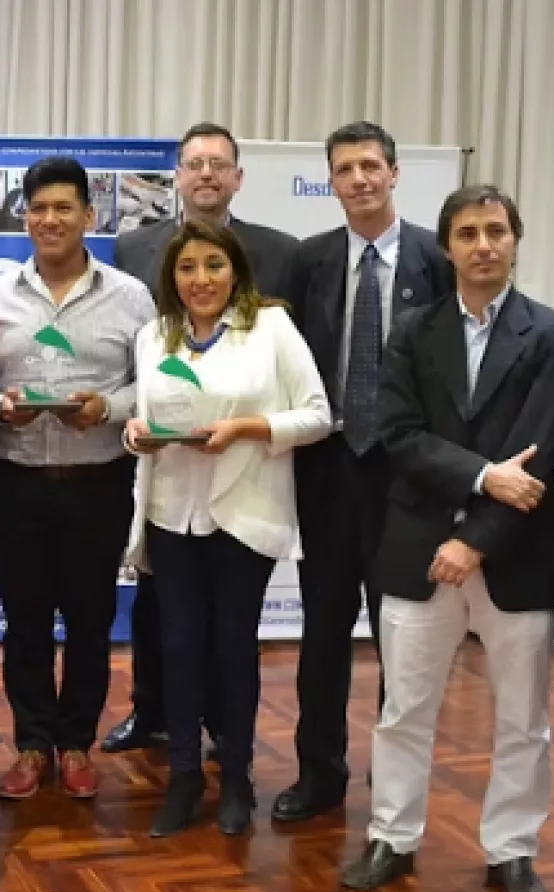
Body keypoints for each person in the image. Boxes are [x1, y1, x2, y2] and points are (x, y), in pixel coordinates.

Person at [341, 185, 554, 892]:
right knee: (403, 711)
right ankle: (392, 837)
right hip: (417, 544)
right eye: (468, 232)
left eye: (496, 231)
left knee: (523, 719)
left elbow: (541, 449)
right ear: (446, 246)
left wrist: (474, 541)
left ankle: (512, 850)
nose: (483, 245)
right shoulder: (413, 330)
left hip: (515, 551)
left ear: (515, 240)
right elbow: (399, 435)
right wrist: (481, 477)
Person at [123, 219, 330, 837]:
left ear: (235, 270)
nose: (201, 279)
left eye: (213, 265)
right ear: (172, 277)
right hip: (171, 513)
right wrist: (135, 433)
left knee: (233, 648)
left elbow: (317, 415)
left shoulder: (271, 327)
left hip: (243, 512)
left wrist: (245, 429)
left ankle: (236, 776)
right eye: (187, 268)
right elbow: (144, 416)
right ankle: (184, 777)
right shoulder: (154, 335)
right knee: (178, 647)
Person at [274, 121, 455, 823]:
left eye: (370, 165)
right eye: (345, 169)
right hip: (328, 472)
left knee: (400, 636)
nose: (359, 179)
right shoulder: (309, 260)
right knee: (322, 634)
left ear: (394, 172)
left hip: (406, 477)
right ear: (331, 181)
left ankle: (395, 781)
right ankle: (319, 774)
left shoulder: (436, 260)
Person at [104, 121, 300, 755]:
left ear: (238, 178)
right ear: (178, 177)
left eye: (219, 164)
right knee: (159, 607)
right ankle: (150, 711)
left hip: (242, 470)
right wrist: (136, 423)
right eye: (195, 164)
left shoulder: (281, 251)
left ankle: (222, 728)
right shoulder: (134, 247)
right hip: (166, 467)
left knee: (227, 624)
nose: (207, 174)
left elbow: (291, 369)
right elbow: (138, 357)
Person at [0, 158, 155, 802]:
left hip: (98, 485)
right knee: (24, 624)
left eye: (63, 208)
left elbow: (152, 384)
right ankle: (33, 744)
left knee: (90, 621)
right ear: (24, 217)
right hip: (18, 481)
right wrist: (2, 406)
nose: (50, 220)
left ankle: (77, 742)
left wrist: (107, 408)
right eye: (38, 208)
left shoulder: (131, 296)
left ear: (89, 215)